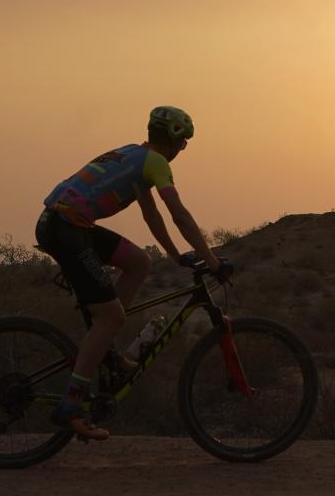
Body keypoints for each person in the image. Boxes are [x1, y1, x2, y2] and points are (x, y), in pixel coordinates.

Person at [35, 105, 221, 440]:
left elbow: (153, 216)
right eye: (184, 143)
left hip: (65, 223)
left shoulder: (136, 156)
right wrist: (213, 260)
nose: (184, 150)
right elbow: (178, 213)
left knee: (139, 263)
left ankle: (105, 348)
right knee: (111, 319)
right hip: (65, 228)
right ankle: (71, 407)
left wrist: (176, 254)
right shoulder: (157, 163)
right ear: (176, 142)